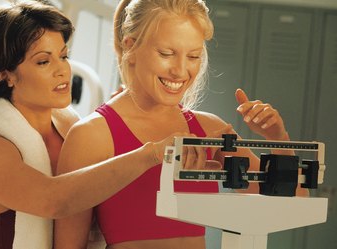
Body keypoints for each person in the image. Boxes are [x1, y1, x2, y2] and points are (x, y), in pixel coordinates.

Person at [54, 0, 308, 249]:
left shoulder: (210, 130)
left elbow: (295, 203)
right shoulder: (92, 136)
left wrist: (278, 138)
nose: (180, 70)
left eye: (194, 56)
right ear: (130, 46)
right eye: (166, 53)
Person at [0, 1, 195, 248]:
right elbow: (55, 201)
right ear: (5, 74)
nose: (63, 70)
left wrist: (122, 118)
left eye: (63, 56)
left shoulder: (75, 131)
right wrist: (151, 153)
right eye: (43, 61)